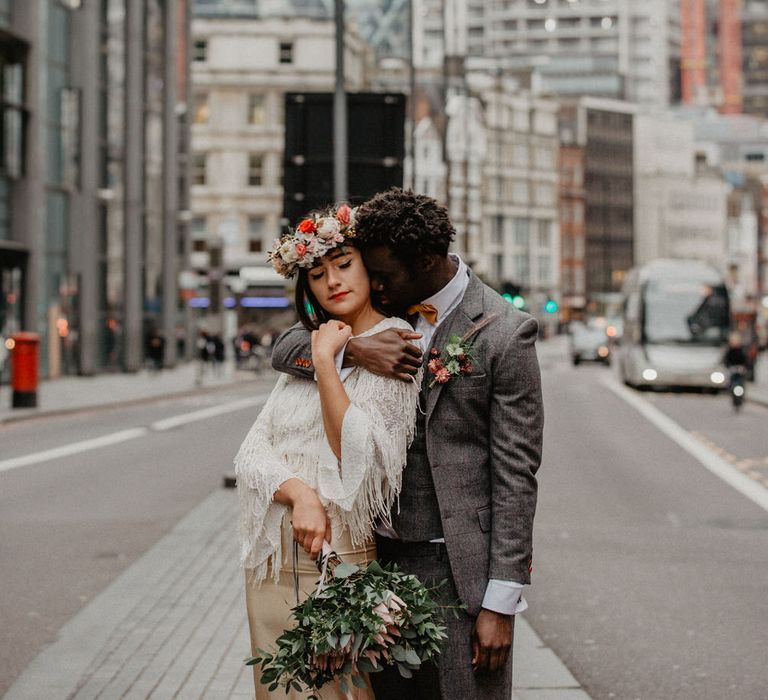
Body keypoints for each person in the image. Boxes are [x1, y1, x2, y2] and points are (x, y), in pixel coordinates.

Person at [272, 188, 544, 700]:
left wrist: (500, 603)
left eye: (383, 275)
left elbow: (516, 476)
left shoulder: (506, 334)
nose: (373, 284)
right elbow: (285, 345)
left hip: (459, 574)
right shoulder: (376, 312)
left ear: (424, 262)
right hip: (376, 562)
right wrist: (354, 351)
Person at [233, 203, 420, 700]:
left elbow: (357, 459)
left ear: (368, 268)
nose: (332, 281)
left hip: (339, 558)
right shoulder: (311, 342)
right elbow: (251, 450)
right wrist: (298, 493)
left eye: (343, 265)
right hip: (271, 557)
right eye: (318, 273)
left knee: (341, 693)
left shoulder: (396, 344)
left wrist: (327, 362)